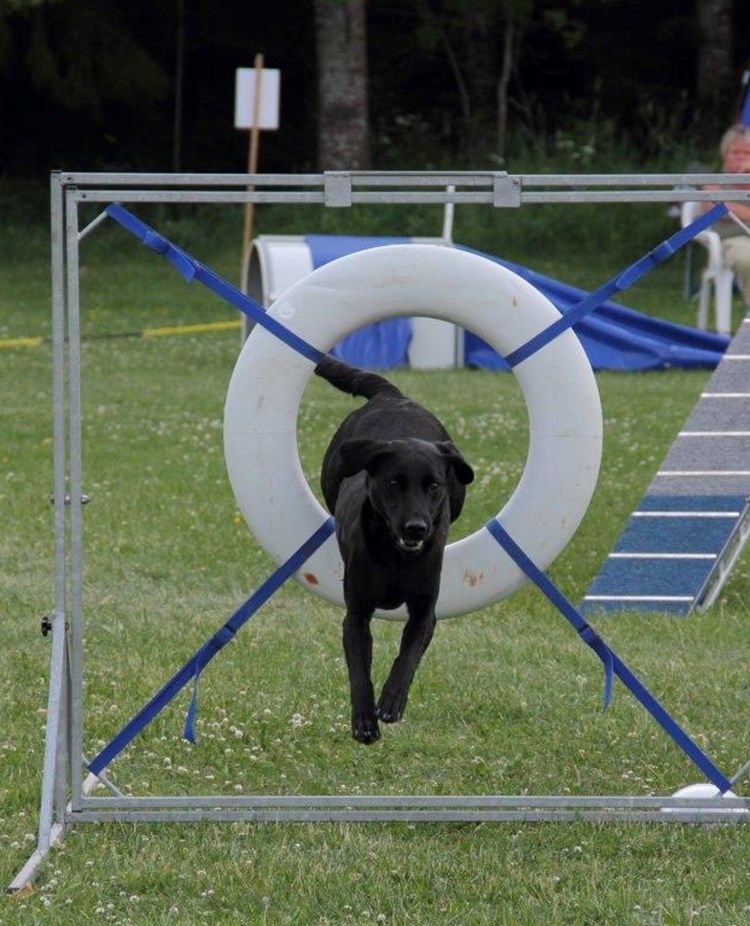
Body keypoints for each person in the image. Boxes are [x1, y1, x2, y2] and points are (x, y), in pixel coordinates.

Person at [703, 123, 750, 307]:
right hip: (734, 240)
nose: (741, 158)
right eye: (735, 153)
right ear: (725, 156)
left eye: (746, 153)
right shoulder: (714, 182)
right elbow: (713, 206)